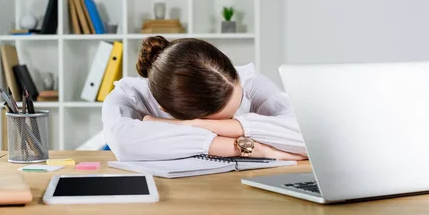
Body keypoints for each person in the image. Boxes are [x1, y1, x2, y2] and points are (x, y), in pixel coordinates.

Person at [101, 36, 307, 162]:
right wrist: (252, 149)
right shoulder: (128, 97)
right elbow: (123, 143)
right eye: (218, 120)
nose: (231, 120)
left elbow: (307, 135)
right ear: (166, 109)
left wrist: (192, 125)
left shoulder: (246, 82)